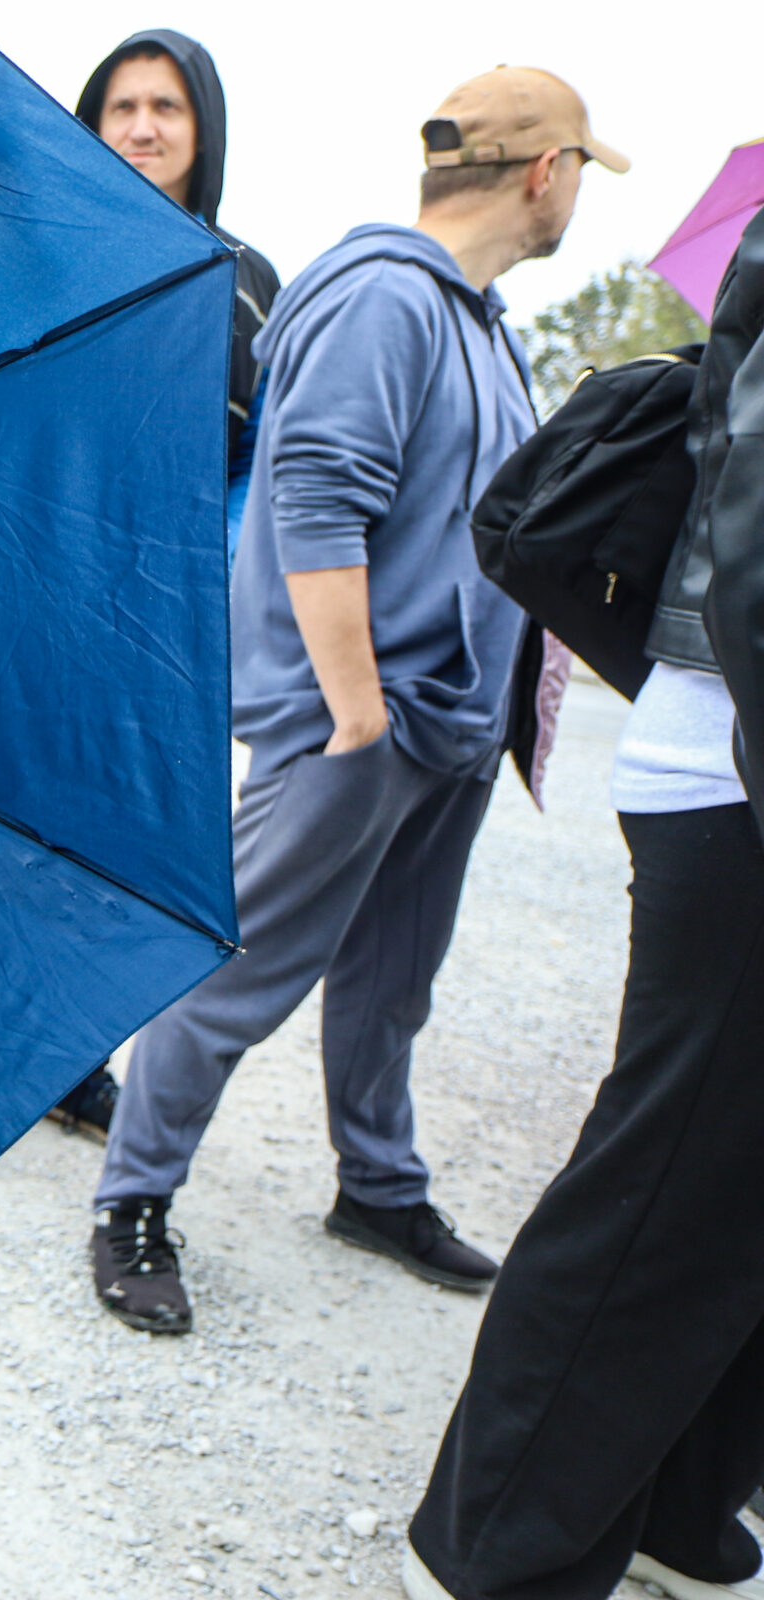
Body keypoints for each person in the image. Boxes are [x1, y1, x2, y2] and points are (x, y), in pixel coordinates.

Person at [87, 67, 624, 1335]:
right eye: (582, 173)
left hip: (447, 721)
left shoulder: (480, 320)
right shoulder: (384, 298)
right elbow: (317, 500)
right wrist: (357, 707)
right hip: (366, 717)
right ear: (544, 173)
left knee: (393, 979)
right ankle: (132, 1200)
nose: (578, 195)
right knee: (242, 971)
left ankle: (378, 1184)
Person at [402, 206, 764, 1600]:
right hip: (739, 761)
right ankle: (493, 1542)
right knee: (670, 1169)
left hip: (727, 744)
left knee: (736, 1179)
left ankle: (674, 1494)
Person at [50, 28, 283, 1141]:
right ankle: (10, 1031)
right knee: (24, 814)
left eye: (167, 108)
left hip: (170, 610)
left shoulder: (248, 281)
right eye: (121, 106)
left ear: (205, 132)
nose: (142, 128)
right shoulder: (48, 253)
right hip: (42, 580)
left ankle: (76, 1049)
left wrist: (215, 580)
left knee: (130, 837)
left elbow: (257, 460)